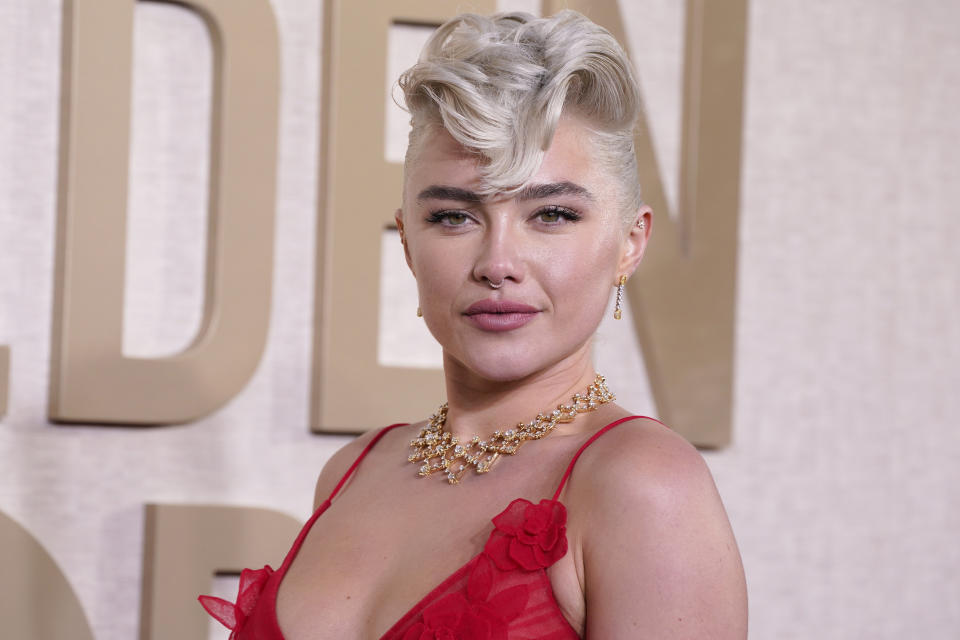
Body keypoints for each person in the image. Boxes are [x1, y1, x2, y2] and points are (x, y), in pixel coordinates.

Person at [200, 10, 747, 639]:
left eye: (553, 214)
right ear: (407, 241)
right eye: (455, 218)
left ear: (629, 242)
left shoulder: (643, 485)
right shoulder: (354, 469)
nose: (498, 264)